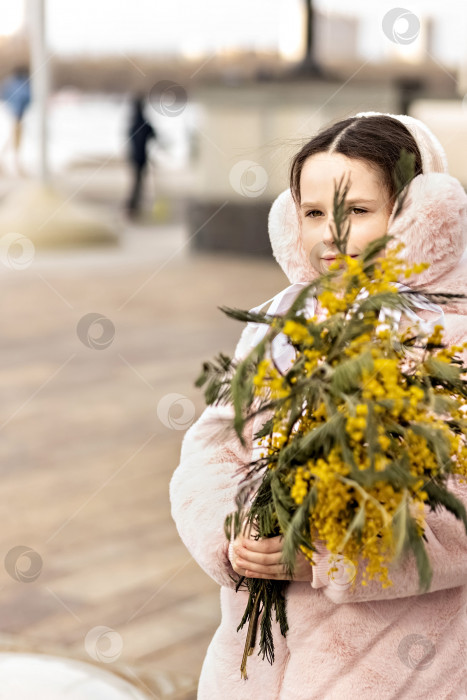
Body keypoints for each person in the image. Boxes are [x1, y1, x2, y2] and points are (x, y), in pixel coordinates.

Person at [169, 112, 467, 699]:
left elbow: (457, 503)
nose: (329, 231)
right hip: (256, 660)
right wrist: (234, 531)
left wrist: (327, 552)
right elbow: (214, 446)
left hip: (396, 666)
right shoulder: (278, 323)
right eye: (311, 212)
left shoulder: (448, 342)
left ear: (417, 216)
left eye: (356, 210)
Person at [125, 95, 156, 217]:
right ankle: (133, 207)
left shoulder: (133, 121)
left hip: (134, 157)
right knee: (137, 183)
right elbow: (152, 134)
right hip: (140, 157)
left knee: (137, 182)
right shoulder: (141, 122)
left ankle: (134, 207)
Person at [0, 65, 31, 175]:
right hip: (18, 114)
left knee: (11, 134)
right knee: (15, 136)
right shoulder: (24, 85)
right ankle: (15, 161)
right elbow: (25, 98)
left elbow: (4, 95)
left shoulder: (9, 83)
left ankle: (9, 158)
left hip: (10, 113)